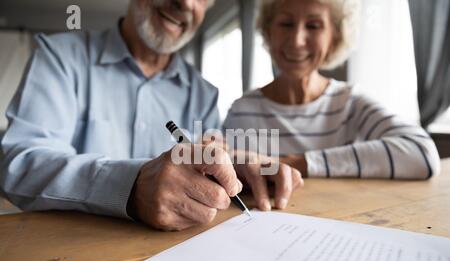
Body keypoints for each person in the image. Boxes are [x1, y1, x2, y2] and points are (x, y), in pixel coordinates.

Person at [0, 0, 302, 231]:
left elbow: (209, 155)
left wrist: (236, 168)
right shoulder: (59, 58)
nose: (185, 2)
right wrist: (129, 186)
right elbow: (19, 165)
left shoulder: (204, 93)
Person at [224, 0, 441, 180]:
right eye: (286, 23)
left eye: (314, 25)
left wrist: (298, 163)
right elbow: (224, 173)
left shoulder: (350, 102)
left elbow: (423, 154)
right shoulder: (241, 110)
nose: (297, 41)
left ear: (334, 38)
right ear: (268, 32)